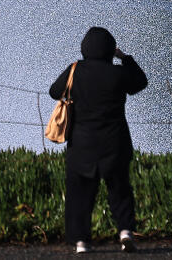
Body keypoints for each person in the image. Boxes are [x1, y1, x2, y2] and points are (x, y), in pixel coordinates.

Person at [50, 27, 148, 253]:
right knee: (119, 188)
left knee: (79, 194)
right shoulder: (118, 73)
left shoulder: (75, 70)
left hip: (82, 144)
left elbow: (55, 92)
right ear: (109, 50)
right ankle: (125, 231)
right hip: (115, 142)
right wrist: (124, 58)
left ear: (85, 48)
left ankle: (81, 242)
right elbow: (140, 82)